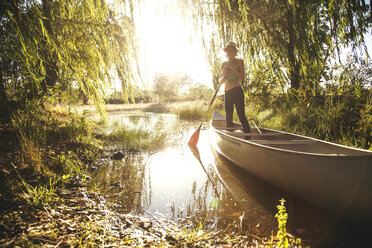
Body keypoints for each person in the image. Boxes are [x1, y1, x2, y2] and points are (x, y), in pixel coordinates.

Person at [220, 41, 251, 133]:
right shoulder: (223, 64)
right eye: (228, 50)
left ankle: (248, 137)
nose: (229, 52)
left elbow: (242, 77)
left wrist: (232, 68)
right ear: (226, 51)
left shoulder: (239, 62)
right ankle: (230, 137)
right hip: (227, 92)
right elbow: (221, 81)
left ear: (235, 52)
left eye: (231, 50)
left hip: (237, 90)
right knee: (228, 116)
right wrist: (223, 77)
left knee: (240, 114)